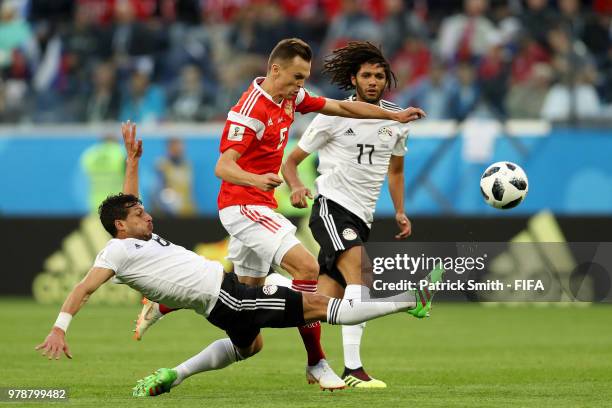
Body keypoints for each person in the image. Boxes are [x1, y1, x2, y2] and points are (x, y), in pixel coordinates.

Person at [35, 122, 444, 398]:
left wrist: (134, 161)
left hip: (222, 302)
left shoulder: (133, 235)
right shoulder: (117, 250)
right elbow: (83, 288)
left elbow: (126, 203)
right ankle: (410, 300)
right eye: (139, 215)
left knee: (251, 347)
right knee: (319, 301)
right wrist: (59, 328)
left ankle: (173, 375)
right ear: (121, 227)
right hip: (229, 297)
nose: (148, 213)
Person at [212, 37, 425, 389]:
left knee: (246, 313)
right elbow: (223, 166)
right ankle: (321, 362)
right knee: (309, 268)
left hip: (265, 205)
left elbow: (342, 108)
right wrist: (260, 179)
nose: (301, 85)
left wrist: (394, 115)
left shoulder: (292, 96)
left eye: (304, 78)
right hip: (243, 204)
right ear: (275, 69)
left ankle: (170, 305)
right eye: (297, 77)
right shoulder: (248, 112)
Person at [274, 41, 413, 388]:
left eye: (379, 76)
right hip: (333, 208)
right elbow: (290, 161)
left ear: (386, 81)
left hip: (361, 217)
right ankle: (354, 370)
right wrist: (294, 186)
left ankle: (261, 291)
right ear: (353, 78)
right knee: (362, 278)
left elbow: (395, 171)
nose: (373, 81)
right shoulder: (333, 116)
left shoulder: (395, 121)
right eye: (366, 75)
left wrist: (399, 210)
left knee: (320, 302)